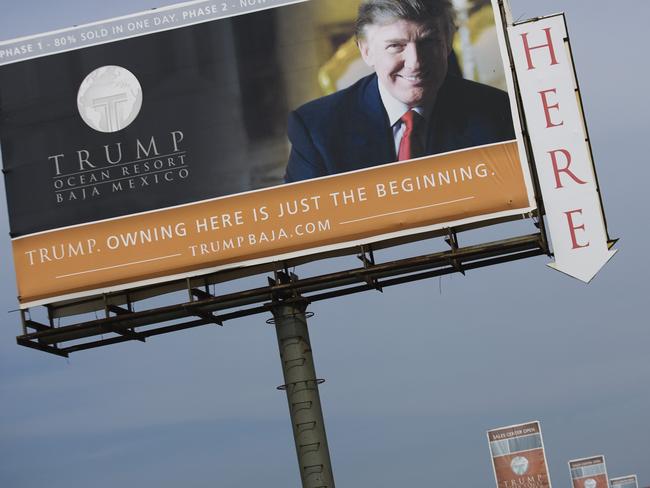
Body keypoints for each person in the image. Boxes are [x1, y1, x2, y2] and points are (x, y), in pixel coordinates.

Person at [284, 0, 515, 183]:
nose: (415, 62)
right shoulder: (315, 129)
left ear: (447, 42)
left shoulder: (497, 112)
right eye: (396, 46)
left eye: (428, 42)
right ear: (366, 52)